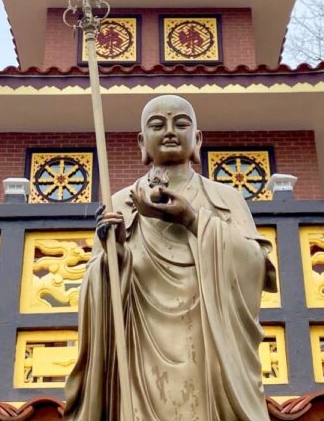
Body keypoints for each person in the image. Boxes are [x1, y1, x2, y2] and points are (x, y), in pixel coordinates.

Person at [64, 94, 277, 420]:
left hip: (209, 339)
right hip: (140, 346)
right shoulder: (118, 203)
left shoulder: (224, 197)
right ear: (142, 142)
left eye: (181, 123)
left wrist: (192, 218)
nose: (169, 131)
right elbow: (95, 290)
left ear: (198, 139)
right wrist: (115, 255)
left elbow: (259, 268)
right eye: (157, 125)